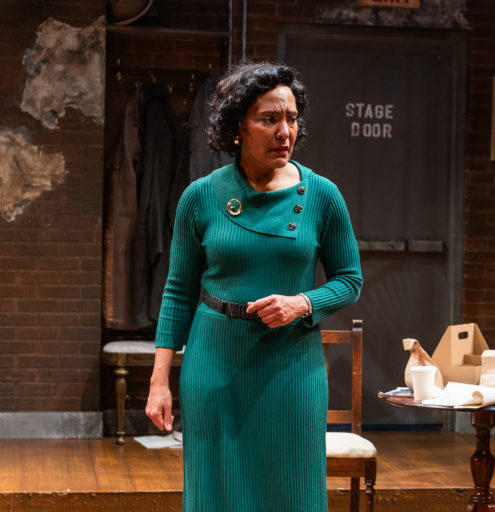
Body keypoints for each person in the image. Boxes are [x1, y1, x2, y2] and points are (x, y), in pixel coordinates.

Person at [144, 61, 363, 511]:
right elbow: (177, 292)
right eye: (269, 119)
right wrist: (159, 380)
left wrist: (302, 303)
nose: (285, 132)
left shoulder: (323, 195)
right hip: (215, 362)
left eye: (292, 119)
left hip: (291, 367)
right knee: (216, 493)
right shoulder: (200, 197)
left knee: (292, 493)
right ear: (238, 126)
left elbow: (350, 280)